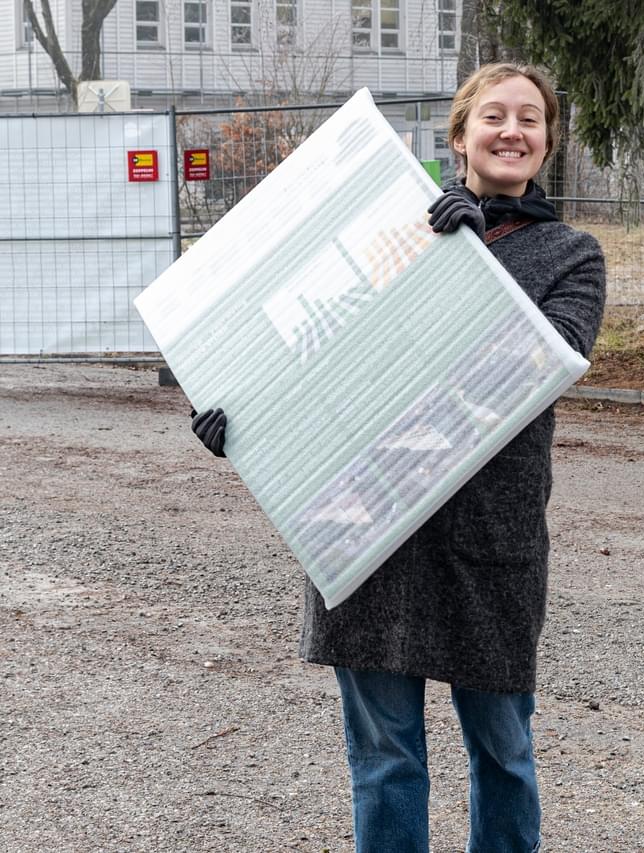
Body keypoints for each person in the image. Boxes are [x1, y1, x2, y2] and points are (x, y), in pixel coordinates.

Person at [192, 63, 606, 852]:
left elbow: (547, 359)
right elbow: (311, 342)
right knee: (384, 758)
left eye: (530, 119)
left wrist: (471, 255)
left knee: (504, 752)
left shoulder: (570, 254)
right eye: (494, 116)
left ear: (546, 143)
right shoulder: (383, 231)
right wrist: (236, 410)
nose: (512, 130)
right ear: (460, 137)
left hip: (488, 538)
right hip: (366, 525)